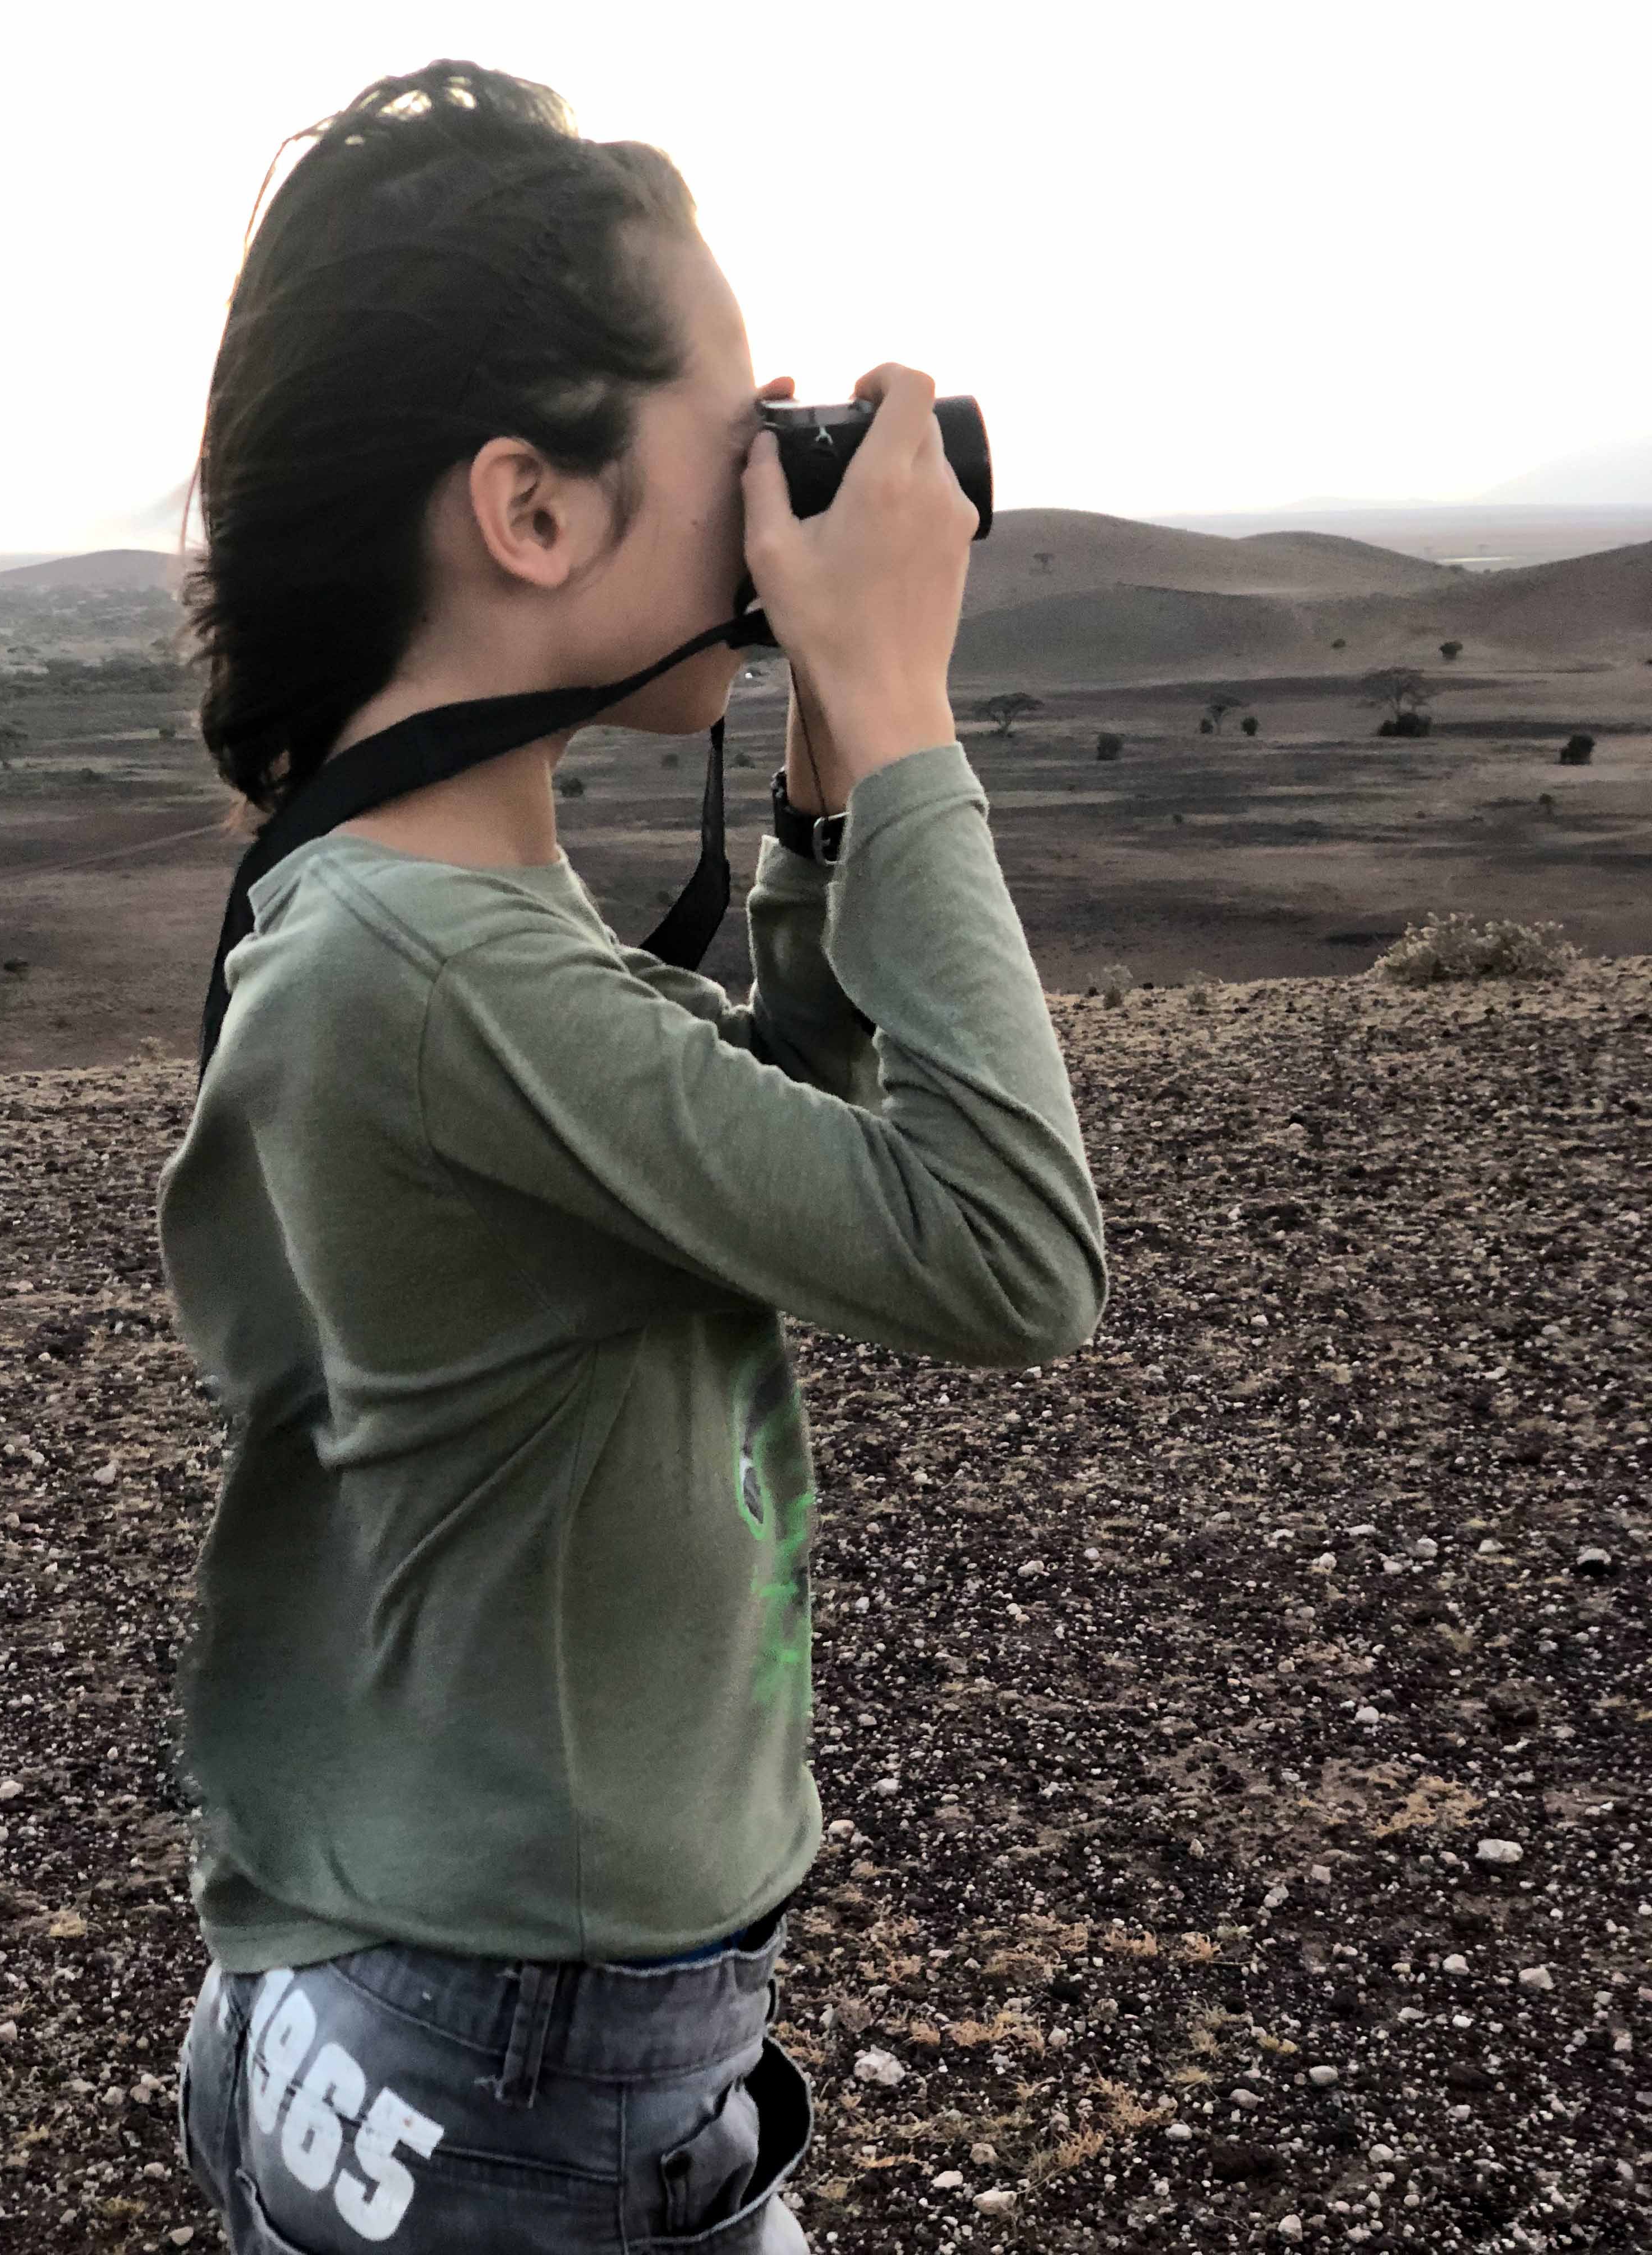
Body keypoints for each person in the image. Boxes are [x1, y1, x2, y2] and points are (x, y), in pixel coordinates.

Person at [157, 56, 1108, 2255]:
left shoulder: (412, 907)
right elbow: (1010, 1256)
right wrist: (907, 709)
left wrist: (821, 798)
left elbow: (752, 1143)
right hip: (521, 2069)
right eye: (737, 420)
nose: (784, 483)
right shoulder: (432, 960)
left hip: (423, 1998)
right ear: (533, 511)